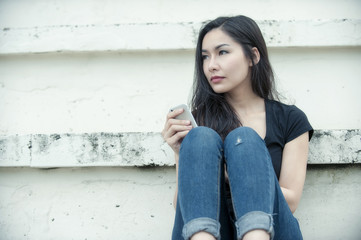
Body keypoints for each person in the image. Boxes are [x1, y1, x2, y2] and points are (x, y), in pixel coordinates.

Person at [162, 15, 313, 240]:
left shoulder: (290, 119)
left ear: (253, 56)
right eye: (205, 57)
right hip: (210, 233)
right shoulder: (196, 124)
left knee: (245, 140)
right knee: (200, 139)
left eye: (222, 52)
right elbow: (183, 209)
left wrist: (237, 173)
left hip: (273, 230)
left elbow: (290, 201)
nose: (211, 65)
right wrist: (182, 154)